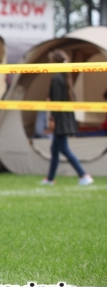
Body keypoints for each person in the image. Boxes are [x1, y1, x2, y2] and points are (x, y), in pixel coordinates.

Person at [40, 50, 93, 186]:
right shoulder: (66, 77)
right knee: (55, 150)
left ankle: (84, 175)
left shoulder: (57, 78)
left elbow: (57, 102)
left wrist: (52, 120)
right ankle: (50, 179)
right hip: (66, 118)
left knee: (63, 149)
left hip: (61, 120)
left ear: (55, 63)